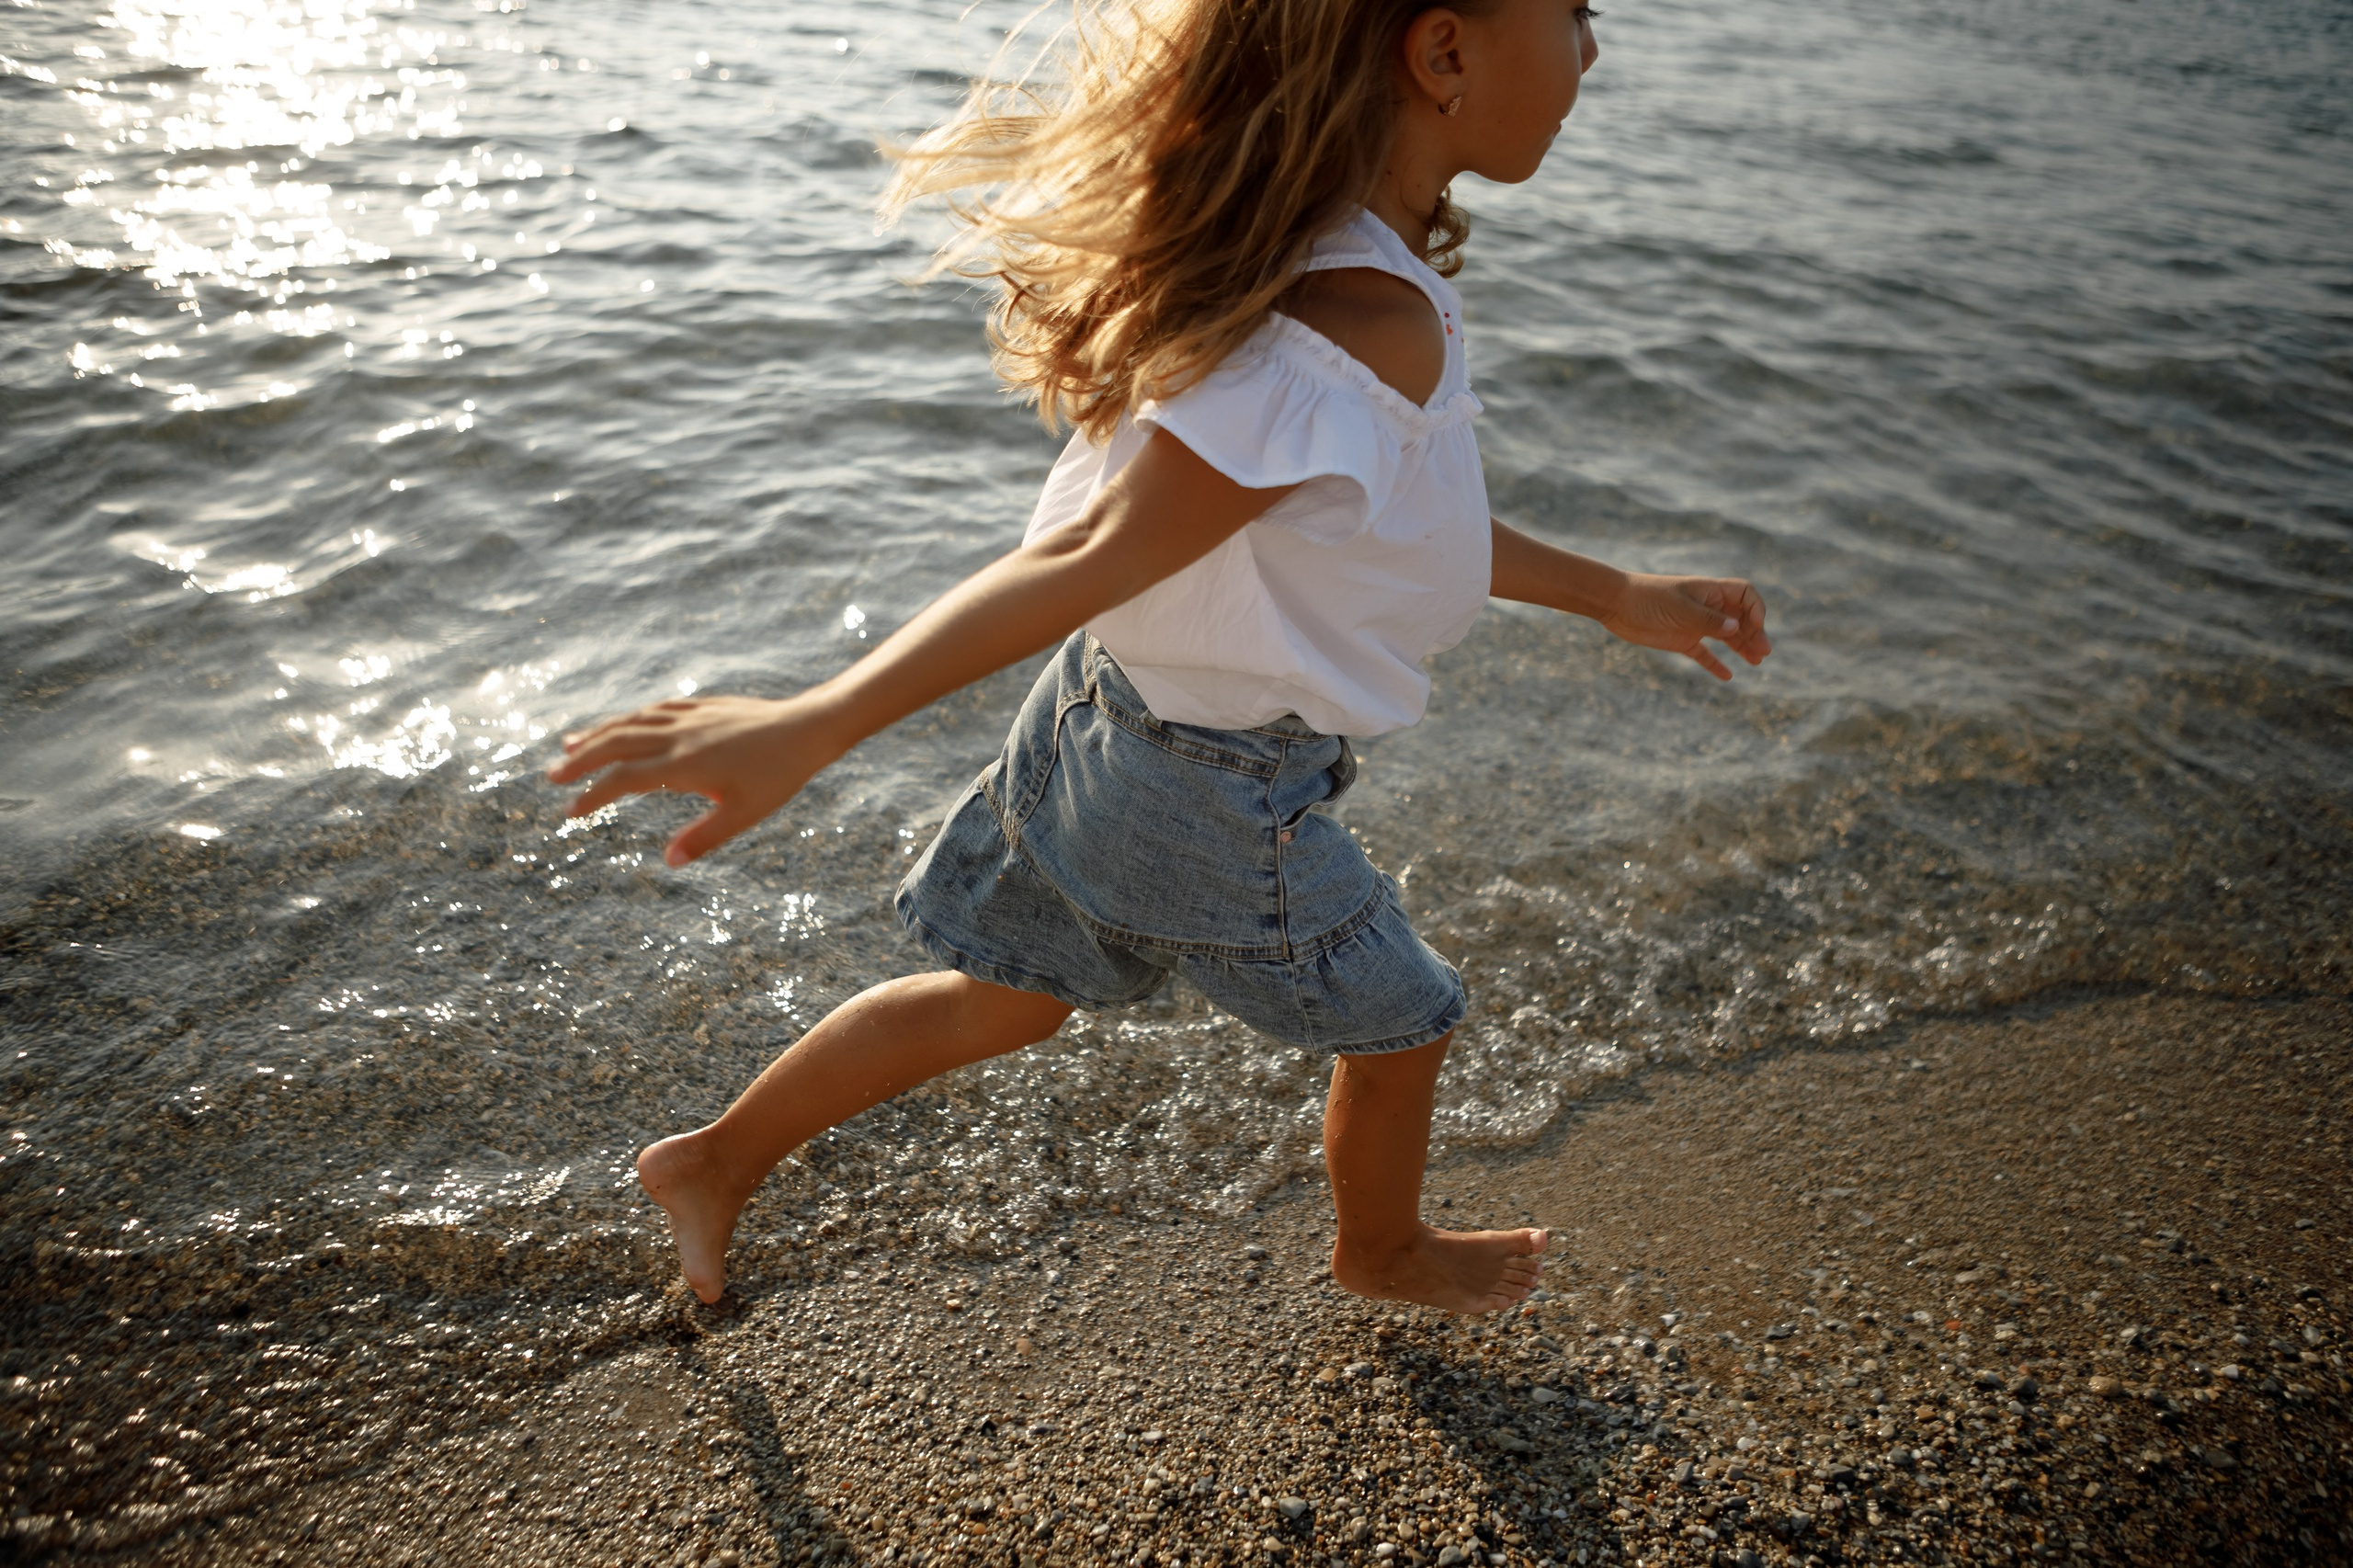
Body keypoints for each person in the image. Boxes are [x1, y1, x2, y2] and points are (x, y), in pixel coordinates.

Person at [547, 0, 1769, 1313]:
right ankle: (1382, 1250)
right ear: (1445, 52)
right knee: (1408, 1022)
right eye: (1577, 12)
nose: (1597, 47)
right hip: (1213, 782)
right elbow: (1086, 556)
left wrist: (1612, 594)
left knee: (998, 1000)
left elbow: (1397, 525)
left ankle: (715, 1161)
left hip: (1106, 712)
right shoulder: (1362, 321)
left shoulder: (1338, 273)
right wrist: (819, 719)